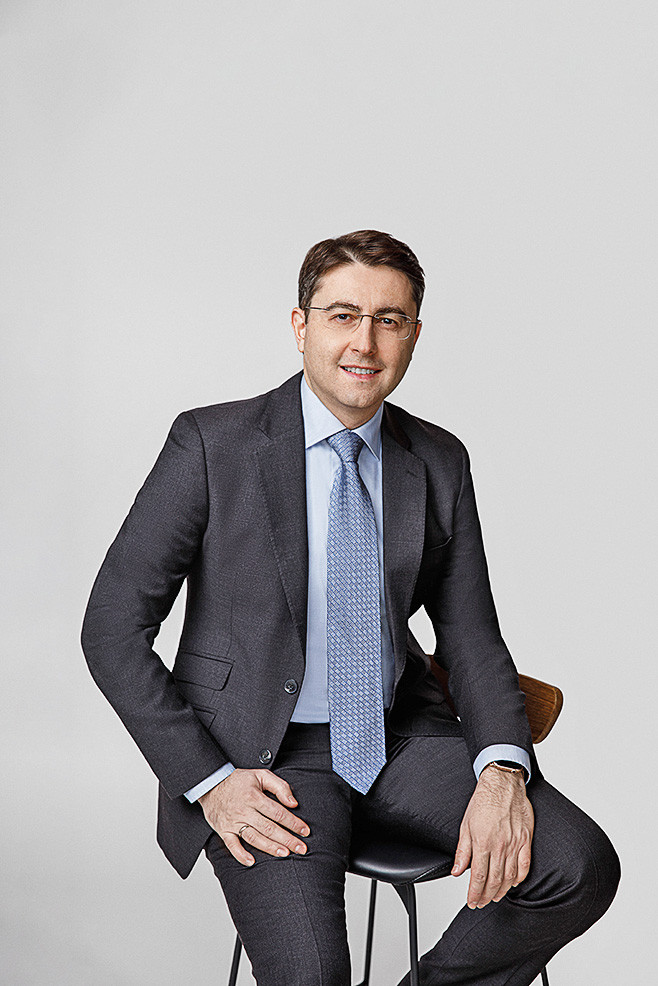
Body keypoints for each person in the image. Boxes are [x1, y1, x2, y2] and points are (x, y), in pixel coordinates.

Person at [81, 229, 620, 985]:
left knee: (579, 866)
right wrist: (209, 780)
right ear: (300, 326)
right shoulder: (211, 443)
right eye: (342, 316)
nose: (364, 342)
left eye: (388, 320)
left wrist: (503, 770)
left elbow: (471, 636)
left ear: (414, 335)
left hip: (399, 739)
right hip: (264, 762)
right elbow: (110, 630)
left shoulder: (438, 460)